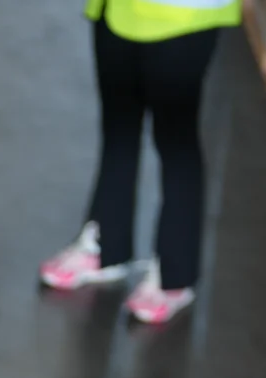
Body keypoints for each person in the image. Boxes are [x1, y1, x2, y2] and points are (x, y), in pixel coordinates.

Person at [36, 0, 238, 324]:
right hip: (118, 8)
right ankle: (107, 246)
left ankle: (176, 275)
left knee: (175, 141)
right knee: (119, 126)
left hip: (183, 13)